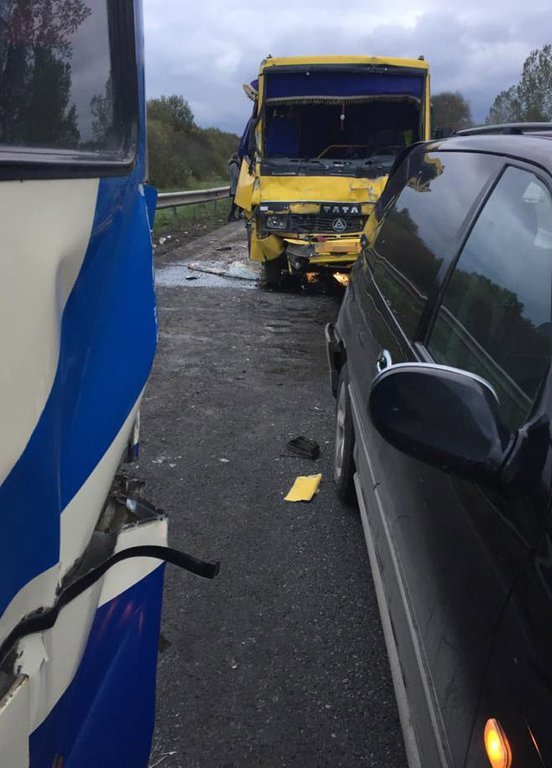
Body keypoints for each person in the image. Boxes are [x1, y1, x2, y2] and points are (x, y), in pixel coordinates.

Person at [227, 153, 241, 222]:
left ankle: (232, 216)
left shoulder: (232, 165)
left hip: (234, 186)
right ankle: (230, 216)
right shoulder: (234, 165)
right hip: (235, 187)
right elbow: (236, 176)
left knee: (235, 202)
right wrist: (241, 181)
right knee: (235, 203)